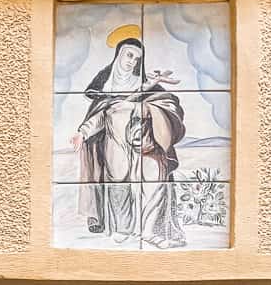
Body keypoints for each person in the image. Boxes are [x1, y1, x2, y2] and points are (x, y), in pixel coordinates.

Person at [71, 29, 187, 248]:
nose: (132, 61)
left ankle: (148, 230)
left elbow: (168, 105)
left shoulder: (145, 85)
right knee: (117, 182)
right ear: (118, 55)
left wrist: (143, 107)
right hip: (114, 143)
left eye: (137, 58)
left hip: (141, 144)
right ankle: (122, 228)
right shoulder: (104, 87)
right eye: (129, 55)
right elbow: (99, 117)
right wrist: (82, 133)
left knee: (152, 183)